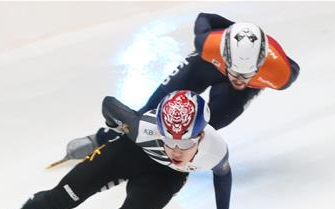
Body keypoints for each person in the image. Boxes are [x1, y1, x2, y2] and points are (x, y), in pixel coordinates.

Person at [0, 89, 251, 209]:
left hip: (165, 177)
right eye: (169, 140)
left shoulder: (215, 150)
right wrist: (113, 124)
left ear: (200, 135)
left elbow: (223, 176)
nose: (176, 151)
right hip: (130, 152)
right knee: (62, 198)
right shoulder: (144, 128)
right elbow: (109, 103)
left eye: (185, 143)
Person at [62, 14, 300, 162]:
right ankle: (106, 137)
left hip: (241, 81)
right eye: (234, 70)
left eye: (246, 74)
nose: (238, 79)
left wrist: (246, 78)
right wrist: (232, 30)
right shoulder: (208, 44)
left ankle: (167, 154)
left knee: (208, 125)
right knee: (154, 108)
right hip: (206, 65)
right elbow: (205, 17)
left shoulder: (281, 75)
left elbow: (287, 70)